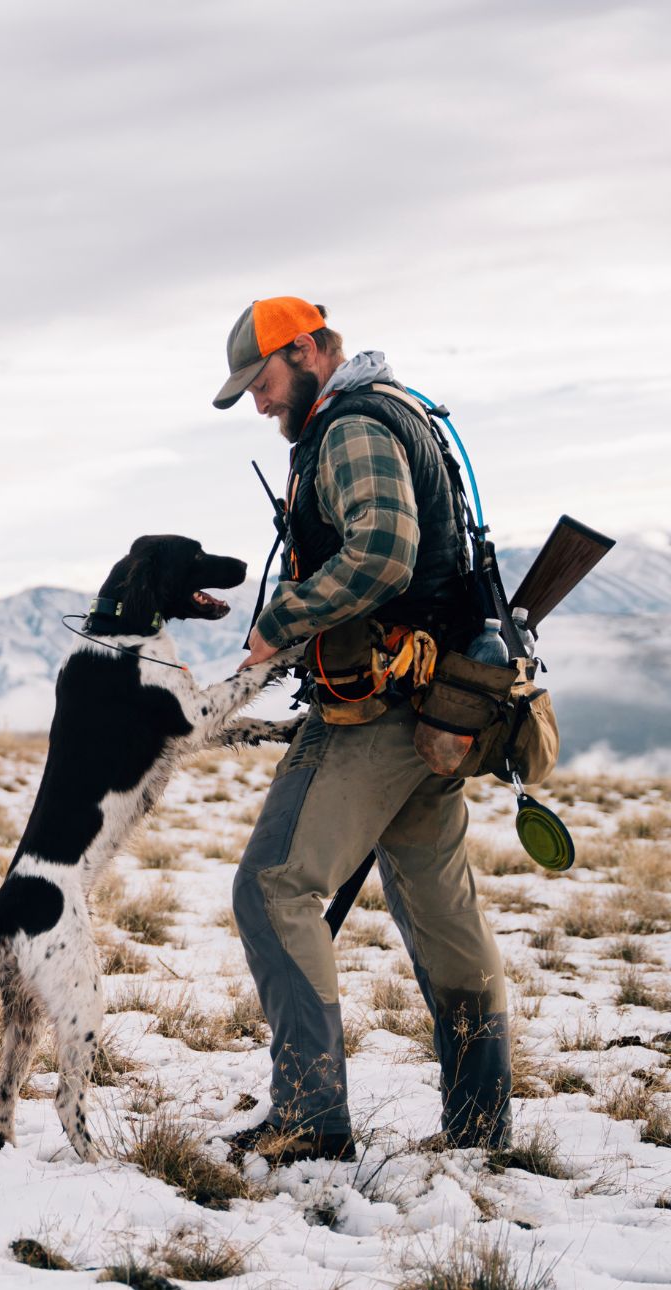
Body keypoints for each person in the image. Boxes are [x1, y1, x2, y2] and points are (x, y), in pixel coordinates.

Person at [213, 297, 510, 1161]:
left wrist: (282, 620)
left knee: (272, 887)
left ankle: (310, 1120)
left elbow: (384, 552)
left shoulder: (349, 426)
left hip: (377, 708)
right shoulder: (400, 411)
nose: (261, 404)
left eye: (262, 381)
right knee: (440, 904)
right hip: (441, 710)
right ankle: (480, 1125)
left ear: (306, 350)